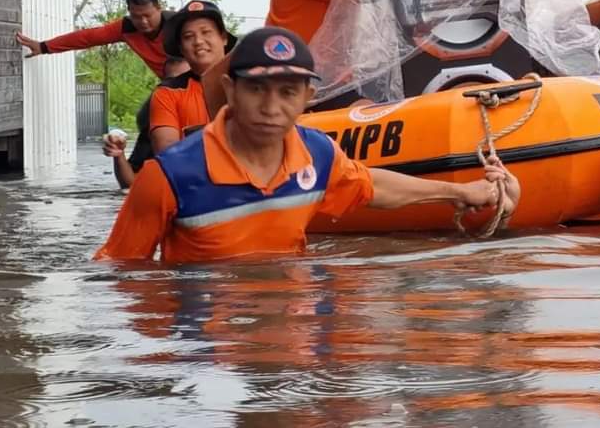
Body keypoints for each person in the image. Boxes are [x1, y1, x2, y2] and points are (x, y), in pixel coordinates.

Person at [94, 28, 518, 263]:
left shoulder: (316, 154)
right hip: (209, 350)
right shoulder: (170, 176)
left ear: (307, 99)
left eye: (288, 92)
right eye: (257, 89)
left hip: (295, 316)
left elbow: (373, 187)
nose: (272, 107)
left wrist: (463, 192)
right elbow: (121, 272)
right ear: (230, 90)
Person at [16, 0, 174, 77]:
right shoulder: (126, 28)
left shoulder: (178, 24)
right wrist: (44, 47)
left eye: (148, 15)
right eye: (136, 16)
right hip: (171, 88)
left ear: (158, 8)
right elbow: (88, 37)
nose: (143, 22)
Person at [149, 0, 237, 154]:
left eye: (206, 32)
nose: (198, 41)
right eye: (189, 36)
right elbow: (168, 153)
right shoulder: (168, 93)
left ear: (223, 38)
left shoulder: (248, 84)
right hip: (194, 177)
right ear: (181, 48)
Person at [103, 55, 190, 189]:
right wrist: (119, 155)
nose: (177, 90)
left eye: (185, 81)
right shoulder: (154, 130)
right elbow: (131, 184)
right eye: (172, 82)